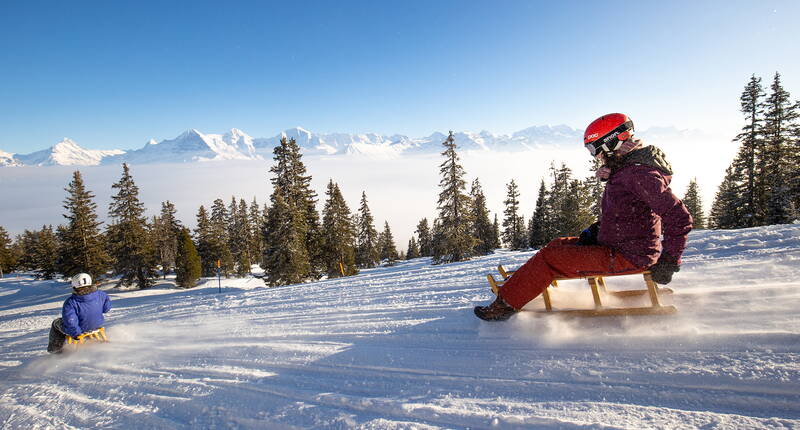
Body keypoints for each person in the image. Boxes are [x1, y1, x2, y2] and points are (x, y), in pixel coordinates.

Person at [475, 113, 693, 321]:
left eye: (594, 148)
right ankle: (529, 288)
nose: (594, 155)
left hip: (629, 254)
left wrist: (670, 261)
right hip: (620, 244)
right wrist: (598, 232)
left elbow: (679, 217)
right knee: (556, 245)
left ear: (612, 143)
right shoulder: (628, 169)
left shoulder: (637, 174)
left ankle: (505, 305)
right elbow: (627, 212)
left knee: (549, 259)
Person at [47, 273, 111, 353]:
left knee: (56, 323)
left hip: (81, 329)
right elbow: (106, 309)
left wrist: (76, 334)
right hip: (97, 325)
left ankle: (55, 349)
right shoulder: (102, 295)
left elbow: (70, 321)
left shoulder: (71, 302)